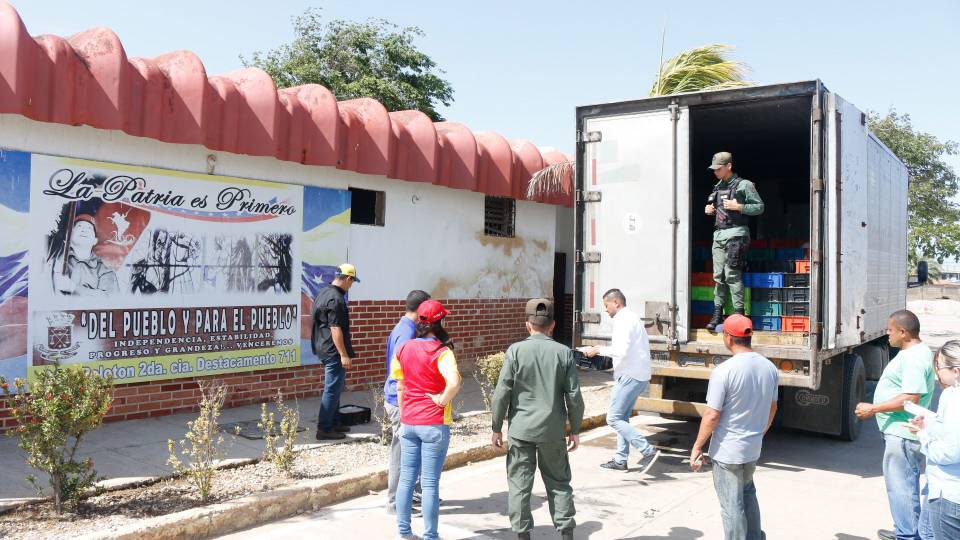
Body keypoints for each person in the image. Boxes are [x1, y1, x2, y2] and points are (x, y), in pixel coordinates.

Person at [491, 298, 585, 540]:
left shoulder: (515, 351)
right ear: (552, 325)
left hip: (521, 430)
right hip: (552, 431)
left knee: (520, 485)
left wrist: (496, 426)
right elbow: (574, 396)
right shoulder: (563, 353)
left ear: (527, 325)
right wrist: (575, 428)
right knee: (559, 482)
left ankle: (523, 535)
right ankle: (566, 533)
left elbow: (502, 391)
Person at [690, 314, 778, 540]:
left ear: (729, 338)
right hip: (752, 448)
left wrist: (698, 447)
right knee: (748, 493)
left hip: (728, 452)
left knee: (731, 506)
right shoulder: (769, 368)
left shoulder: (724, 371)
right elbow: (773, 408)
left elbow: (712, 415)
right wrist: (759, 433)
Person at [855, 310, 936, 540]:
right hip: (900, 432)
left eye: (890, 329)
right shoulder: (915, 352)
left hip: (901, 434)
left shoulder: (913, 359)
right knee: (902, 486)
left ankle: (907, 535)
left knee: (901, 488)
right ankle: (906, 529)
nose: (887, 333)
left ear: (903, 332)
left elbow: (910, 398)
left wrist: (873, 408)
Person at [392, 299, 462, 540]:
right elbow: (454, 382)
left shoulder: (404, 348)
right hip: (433, 423)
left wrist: (404, 415)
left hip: (409, 422)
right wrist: (442, 400)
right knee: (430, 483)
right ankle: (431, 536)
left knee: (407, 478)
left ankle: (404, 532)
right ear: (440, 322)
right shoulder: (442, 352)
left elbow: (400, 386)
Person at [582, 288, 659, 473]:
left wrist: (597, 349)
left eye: (606, 305)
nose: (606, 310)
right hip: (637, 375)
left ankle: (648, 450)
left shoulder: (624, 320)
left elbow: (620, 351)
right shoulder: (631, 318)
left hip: (630, 376)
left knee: (614, 418)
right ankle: (620, 459)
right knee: (622, 417)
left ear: (616, 302)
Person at [704, 152, 765, 331]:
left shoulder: (744, 185)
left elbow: (760, 207)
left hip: (737, 234)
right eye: (714, 169)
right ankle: (717, 314)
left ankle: (739, 314)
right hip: (719, 235)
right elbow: (718, 209)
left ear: (728, 166)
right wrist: (710, 210)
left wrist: (739, 206)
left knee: (732, 275)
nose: (715, 172)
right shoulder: (716, 187)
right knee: (718, 277)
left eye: (719, 168)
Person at [385, 289, 431, 515]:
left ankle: (413, 496)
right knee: (402, 452)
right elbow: (401, 372)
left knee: (412, 450)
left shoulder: (407, 328)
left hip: (404, 398)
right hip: (400, 399)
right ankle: (394, 502)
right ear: (421, 309)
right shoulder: (405, 333)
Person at [910, 340, 960, 540]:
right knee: (926, 531)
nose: (937, 372)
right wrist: (930, 425)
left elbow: (949, 453)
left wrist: (922, 436)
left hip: (949, 496)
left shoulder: (954, 400)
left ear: (956, 370)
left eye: (939, 366)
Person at [312, 263, 360, 441]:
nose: (351, 285)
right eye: (352, 281)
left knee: (336, 387)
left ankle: (334, 422)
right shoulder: (336, 299)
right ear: (348, 278)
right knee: (332, 389)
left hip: (323, 347)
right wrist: (343, 354)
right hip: (333, 350)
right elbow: (335, 328)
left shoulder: (323, 293)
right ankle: (324, 428)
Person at [51, 214, 120, 296]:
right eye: (79, 226)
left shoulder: (105, 270)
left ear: (95, 240)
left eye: (89, 228)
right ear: (68, 235)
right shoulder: (54, 257)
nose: (84, 229)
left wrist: (73, 288)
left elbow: (110, 299)